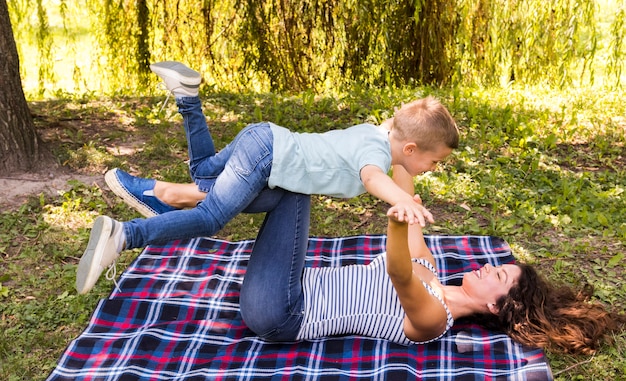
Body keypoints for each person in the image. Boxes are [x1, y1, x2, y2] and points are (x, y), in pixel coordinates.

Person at [98, 160, 624, 355]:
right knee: (288, 176)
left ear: (495, 308)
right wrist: (407, 152)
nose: (489, 265)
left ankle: (172, 200)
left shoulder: (435, 319)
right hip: (284, 284)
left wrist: (398, 222)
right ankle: (177, 199)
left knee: (294, 186)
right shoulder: (433, 269)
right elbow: (404, 183)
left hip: (278, 314)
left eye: (499, 276)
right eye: (500, 263)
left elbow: (397, 272)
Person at [76, 61, 459, 294]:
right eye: (435, 161)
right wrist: (400, 200)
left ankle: (187, 95)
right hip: (267, 157)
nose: (433, 169)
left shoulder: (379, 134)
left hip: (263, 138)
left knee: (204, 171)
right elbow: (375, 177)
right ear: (409, 149)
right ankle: (125, 234)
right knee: (211, 216)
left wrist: (407, 192)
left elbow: (399, 154)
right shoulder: (375, 154)